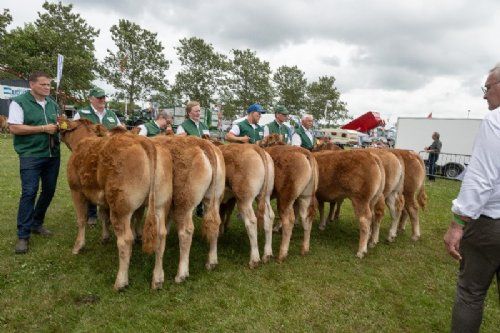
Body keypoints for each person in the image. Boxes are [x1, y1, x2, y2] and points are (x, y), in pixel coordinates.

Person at [443, 63, 500, 333]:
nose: (485, 95)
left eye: (488, 87)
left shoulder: (495, 120)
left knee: (471, 294)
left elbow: (481, 177)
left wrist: (458, 222)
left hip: (491, 224)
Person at [7, 71, 60, 254]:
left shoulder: (53, 104)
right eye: (43, 84)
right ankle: (23, 236)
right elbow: (14, 127)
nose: (47, 88)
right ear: (32, 84)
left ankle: (36, 223)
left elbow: (58, 125)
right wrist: (44, 128)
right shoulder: (19, 102)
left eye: (49, 85)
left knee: (49, 191)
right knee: (29, 192)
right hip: (30, 155)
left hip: (52, 154)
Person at [73, 87, 122, 226]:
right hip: (89, 156)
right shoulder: (81, 113)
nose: (102, 100)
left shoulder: (111, 114)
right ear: (91, 98)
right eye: (99, 97)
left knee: (106, 183)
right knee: (89, 183)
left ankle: (109, 212)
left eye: (103, 97)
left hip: (109, 156)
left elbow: (120, 130)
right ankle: (91, 214)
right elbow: (75, 135)